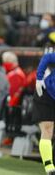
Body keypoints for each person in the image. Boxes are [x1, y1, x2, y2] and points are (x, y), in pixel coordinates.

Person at [33, 47, 55, 175]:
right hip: (45, 93)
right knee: (47, 129)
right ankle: (49, 166)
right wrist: (39, 78)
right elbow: (47, 58)